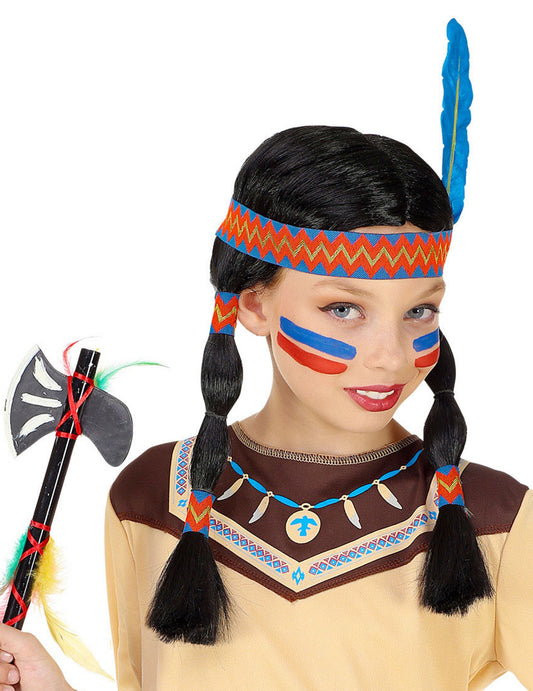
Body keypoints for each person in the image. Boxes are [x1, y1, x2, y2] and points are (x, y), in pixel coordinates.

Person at [1, 125, 532, 690]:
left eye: (419, 312)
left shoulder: (493, 518)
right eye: (344, 309)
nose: (392, 357)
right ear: (253, 305)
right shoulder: (151, 498)